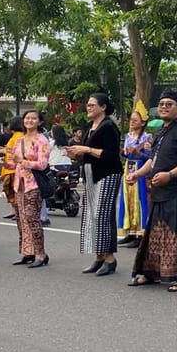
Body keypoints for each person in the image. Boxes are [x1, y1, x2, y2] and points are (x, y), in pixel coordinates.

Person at [125, 91, 177, 292]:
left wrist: (171, 175)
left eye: (169, 104)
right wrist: (138, 174)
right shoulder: (160, 131)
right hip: (159, 190)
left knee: (176, 232)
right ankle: (152, 273)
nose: (164, 107)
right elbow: (153, 160)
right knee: (155, 234)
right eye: (161, 104)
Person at [67, 93, 124, 276]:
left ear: (103, 107)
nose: (89, 108)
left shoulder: (109, 127)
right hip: (90, 172)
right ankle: (99, 257)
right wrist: (76, 153)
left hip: (107, 173)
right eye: (88, 105)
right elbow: (87, 154)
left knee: (102, 215)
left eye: (92, 105)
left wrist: (87, 149)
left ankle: (110, 258)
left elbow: (111, 155)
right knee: (91, 215)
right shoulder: (88, 127)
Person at [5, 110, 51, 268]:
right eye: (27, 118)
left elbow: (42, 164)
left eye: (33, 118)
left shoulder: (42, 140)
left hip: (34, 184)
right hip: (19, 184)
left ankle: (41, 253)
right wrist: (5, 165)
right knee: (21, 219)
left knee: (32, 218)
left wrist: (23, 161)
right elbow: (14, 163)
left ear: (40, 122)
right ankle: (27, 252)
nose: (29, 121)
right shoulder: (20, 140)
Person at [118, 105, 151, 248]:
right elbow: (124, 155)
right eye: (131, 120)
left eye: (135, 120)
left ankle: (139, 233)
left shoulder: (147, 138)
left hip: (140, 170)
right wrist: (123, 152)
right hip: (129, 168)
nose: (132, 122)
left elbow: (149, 157)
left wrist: (138, 153)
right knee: (127, 199)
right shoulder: (128, 136)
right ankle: (129, 232)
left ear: (143, 122)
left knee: (139, 200)